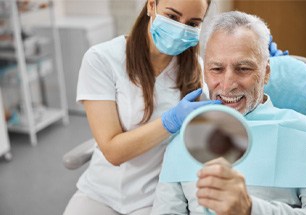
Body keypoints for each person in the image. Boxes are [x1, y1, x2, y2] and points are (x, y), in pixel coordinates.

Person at [151, 11, 306, 214]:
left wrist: (250, 209)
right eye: (216, 69)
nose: (227, 84)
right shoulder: (183, 138)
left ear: (266, 72)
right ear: (205, 71)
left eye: (243, 68)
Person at [63, 0, 217, 214]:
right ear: (151, 6)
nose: (181, 28)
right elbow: (113, 152)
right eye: (172, 17)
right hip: (100, 193)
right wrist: (170, 121)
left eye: (192, 23)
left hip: (156, 200)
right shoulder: (102, 59)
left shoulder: (196, 71)